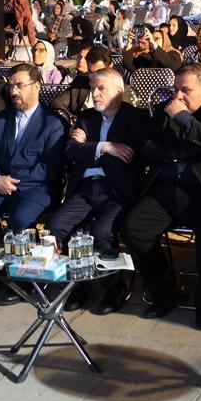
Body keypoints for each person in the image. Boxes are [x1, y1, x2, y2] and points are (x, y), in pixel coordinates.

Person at [118, 64, 201, 330]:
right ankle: (165, 288)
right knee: (133, 227)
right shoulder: (165, 109)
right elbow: (146, 146)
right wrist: (189, 146)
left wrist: (185, 119)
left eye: (186, 90)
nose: (178, 96)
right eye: (175, 88)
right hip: (168, 188)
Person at [0, 63, 66, 303]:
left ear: (36, 86)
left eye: (20, 85)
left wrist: (13, 181)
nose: (13, 91)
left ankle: (22, 281)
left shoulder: (52, 123)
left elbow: (51, 167)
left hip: (36, 188)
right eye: (10, 86)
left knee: (20, 219)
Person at [47, 68, 146, 313]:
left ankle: (114, 287)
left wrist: (88, 148)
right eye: (93, 89)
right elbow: (70, 150)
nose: (95, 94)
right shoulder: (87, 117)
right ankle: (78, 285)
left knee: (102, 232)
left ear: (119, 91)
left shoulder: (136, 118)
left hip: (117, 190)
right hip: (86, 188)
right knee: (57, 225)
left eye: (101, 88)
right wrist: (106, 147)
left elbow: (129, 156)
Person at [50, 46, 110, 119]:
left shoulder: (119, 89)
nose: (93, 77)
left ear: (110, 67)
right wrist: (72, 120)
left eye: (99, 72)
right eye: (90, 72)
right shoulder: (80, 82)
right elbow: (57, 103)